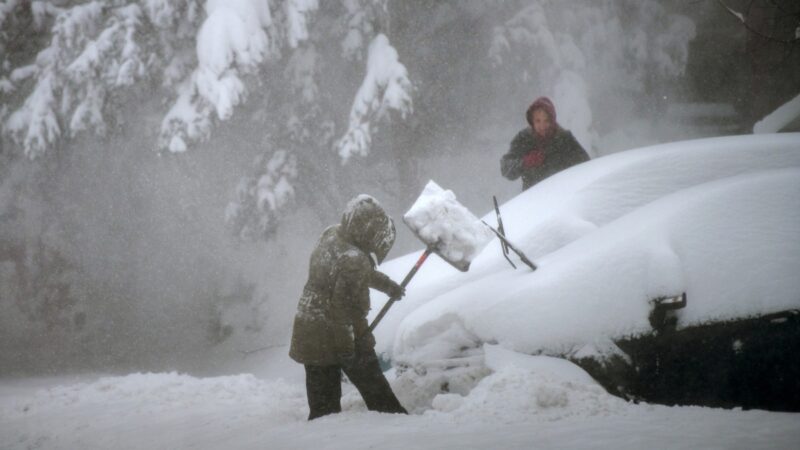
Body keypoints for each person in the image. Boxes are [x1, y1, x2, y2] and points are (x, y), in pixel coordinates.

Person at [289, 195, 408, 420]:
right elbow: (341, 312)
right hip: (336, 335)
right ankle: (399, 427)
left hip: (309, 329)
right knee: (377, 392)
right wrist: (348, 351)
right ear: (367, 230)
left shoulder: (332, 234)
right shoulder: (354, 259)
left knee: (323, 407)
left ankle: (323, 438)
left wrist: (387, 285)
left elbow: (348, 271)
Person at [501, 96, 590, 191]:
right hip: (532, 199)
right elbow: (506, 169)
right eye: (538, 121)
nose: (542, 126)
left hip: (563, 196)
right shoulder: (524, 139)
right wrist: (525, 162)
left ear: (552, 121)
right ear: (532, 121)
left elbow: (586, 165)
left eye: (546, 120)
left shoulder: (564, 139)